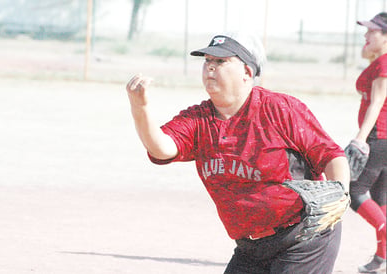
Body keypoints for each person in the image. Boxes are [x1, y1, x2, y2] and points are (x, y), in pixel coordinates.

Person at [126, 33, 350, 273]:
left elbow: (330, 155)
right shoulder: (198, 119)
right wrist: (140, 108)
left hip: (304, 238)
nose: (210, 66)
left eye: (221, 61)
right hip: (250, 247)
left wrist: (341, 194)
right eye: (207, 60)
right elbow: (161, 147)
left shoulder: (279, 108)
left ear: (247, 72)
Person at [349, 12, 387, 273]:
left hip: (379, 138)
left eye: (372, 31)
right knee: (381, 197)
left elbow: (377, 103)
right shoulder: (379, 61)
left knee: (355, 192)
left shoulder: (384, 63)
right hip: (383, 137)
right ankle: (381, 258)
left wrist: (360, 139)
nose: (366, 35)